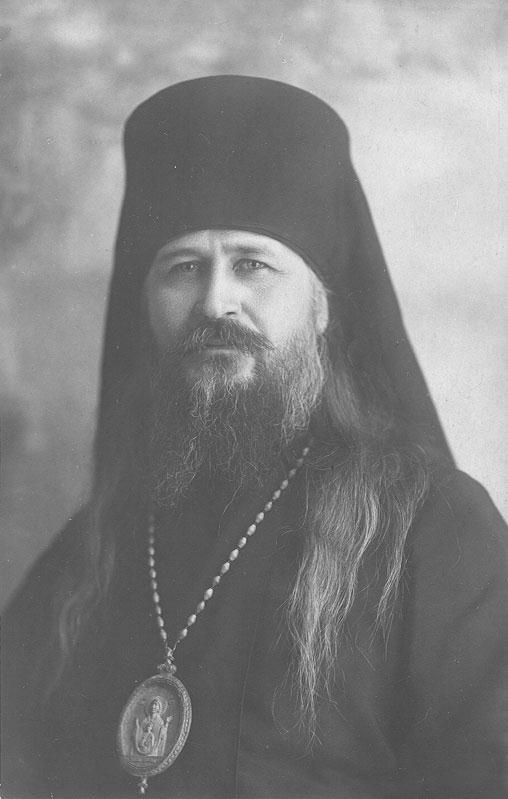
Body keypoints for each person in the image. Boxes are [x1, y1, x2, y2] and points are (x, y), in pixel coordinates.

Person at [2, 75, 507, 799]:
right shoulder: (93, 547)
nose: (215, 301)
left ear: (322, 308)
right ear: (145, 306)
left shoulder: (435, 530)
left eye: (252, 265)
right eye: (183, 269)